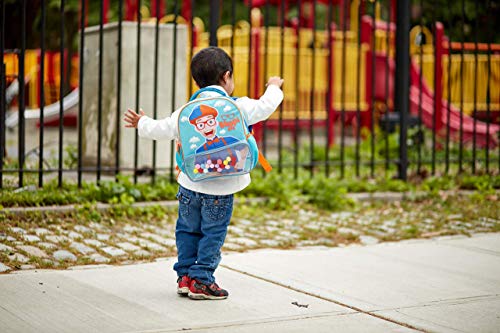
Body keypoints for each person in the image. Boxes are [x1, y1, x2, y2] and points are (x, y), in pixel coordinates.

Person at [124, 46, 284, 300]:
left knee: (187, 230)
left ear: (197, 81)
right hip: (221, 190)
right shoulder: (238, 106)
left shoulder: (187, 111)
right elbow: (265, 106)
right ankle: (202, 279)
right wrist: (274, 86)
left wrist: (142, 122)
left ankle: (185, 277)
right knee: (213, 233)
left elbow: (161, 129)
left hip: (189, 185)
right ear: (226, 76)